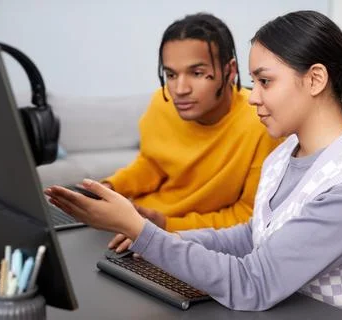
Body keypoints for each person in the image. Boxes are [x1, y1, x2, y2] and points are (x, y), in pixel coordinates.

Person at [45, 10, 342, 318]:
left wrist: (145, 234)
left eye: (264, 81)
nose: (253, 97)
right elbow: (252, 235)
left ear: (315, 79)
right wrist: (167, 241)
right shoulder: (287, 151)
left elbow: (253, 283)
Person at [101, 13, 279, 252]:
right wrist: (110, 188)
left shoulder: (263, 123)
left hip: (191, 241)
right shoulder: (161, 103)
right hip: (135, 223)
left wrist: (166, 225)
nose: (179, 89)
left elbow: (248, 218)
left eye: (196, 73)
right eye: (171, 75)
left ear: (230, 71)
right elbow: (152, 164)